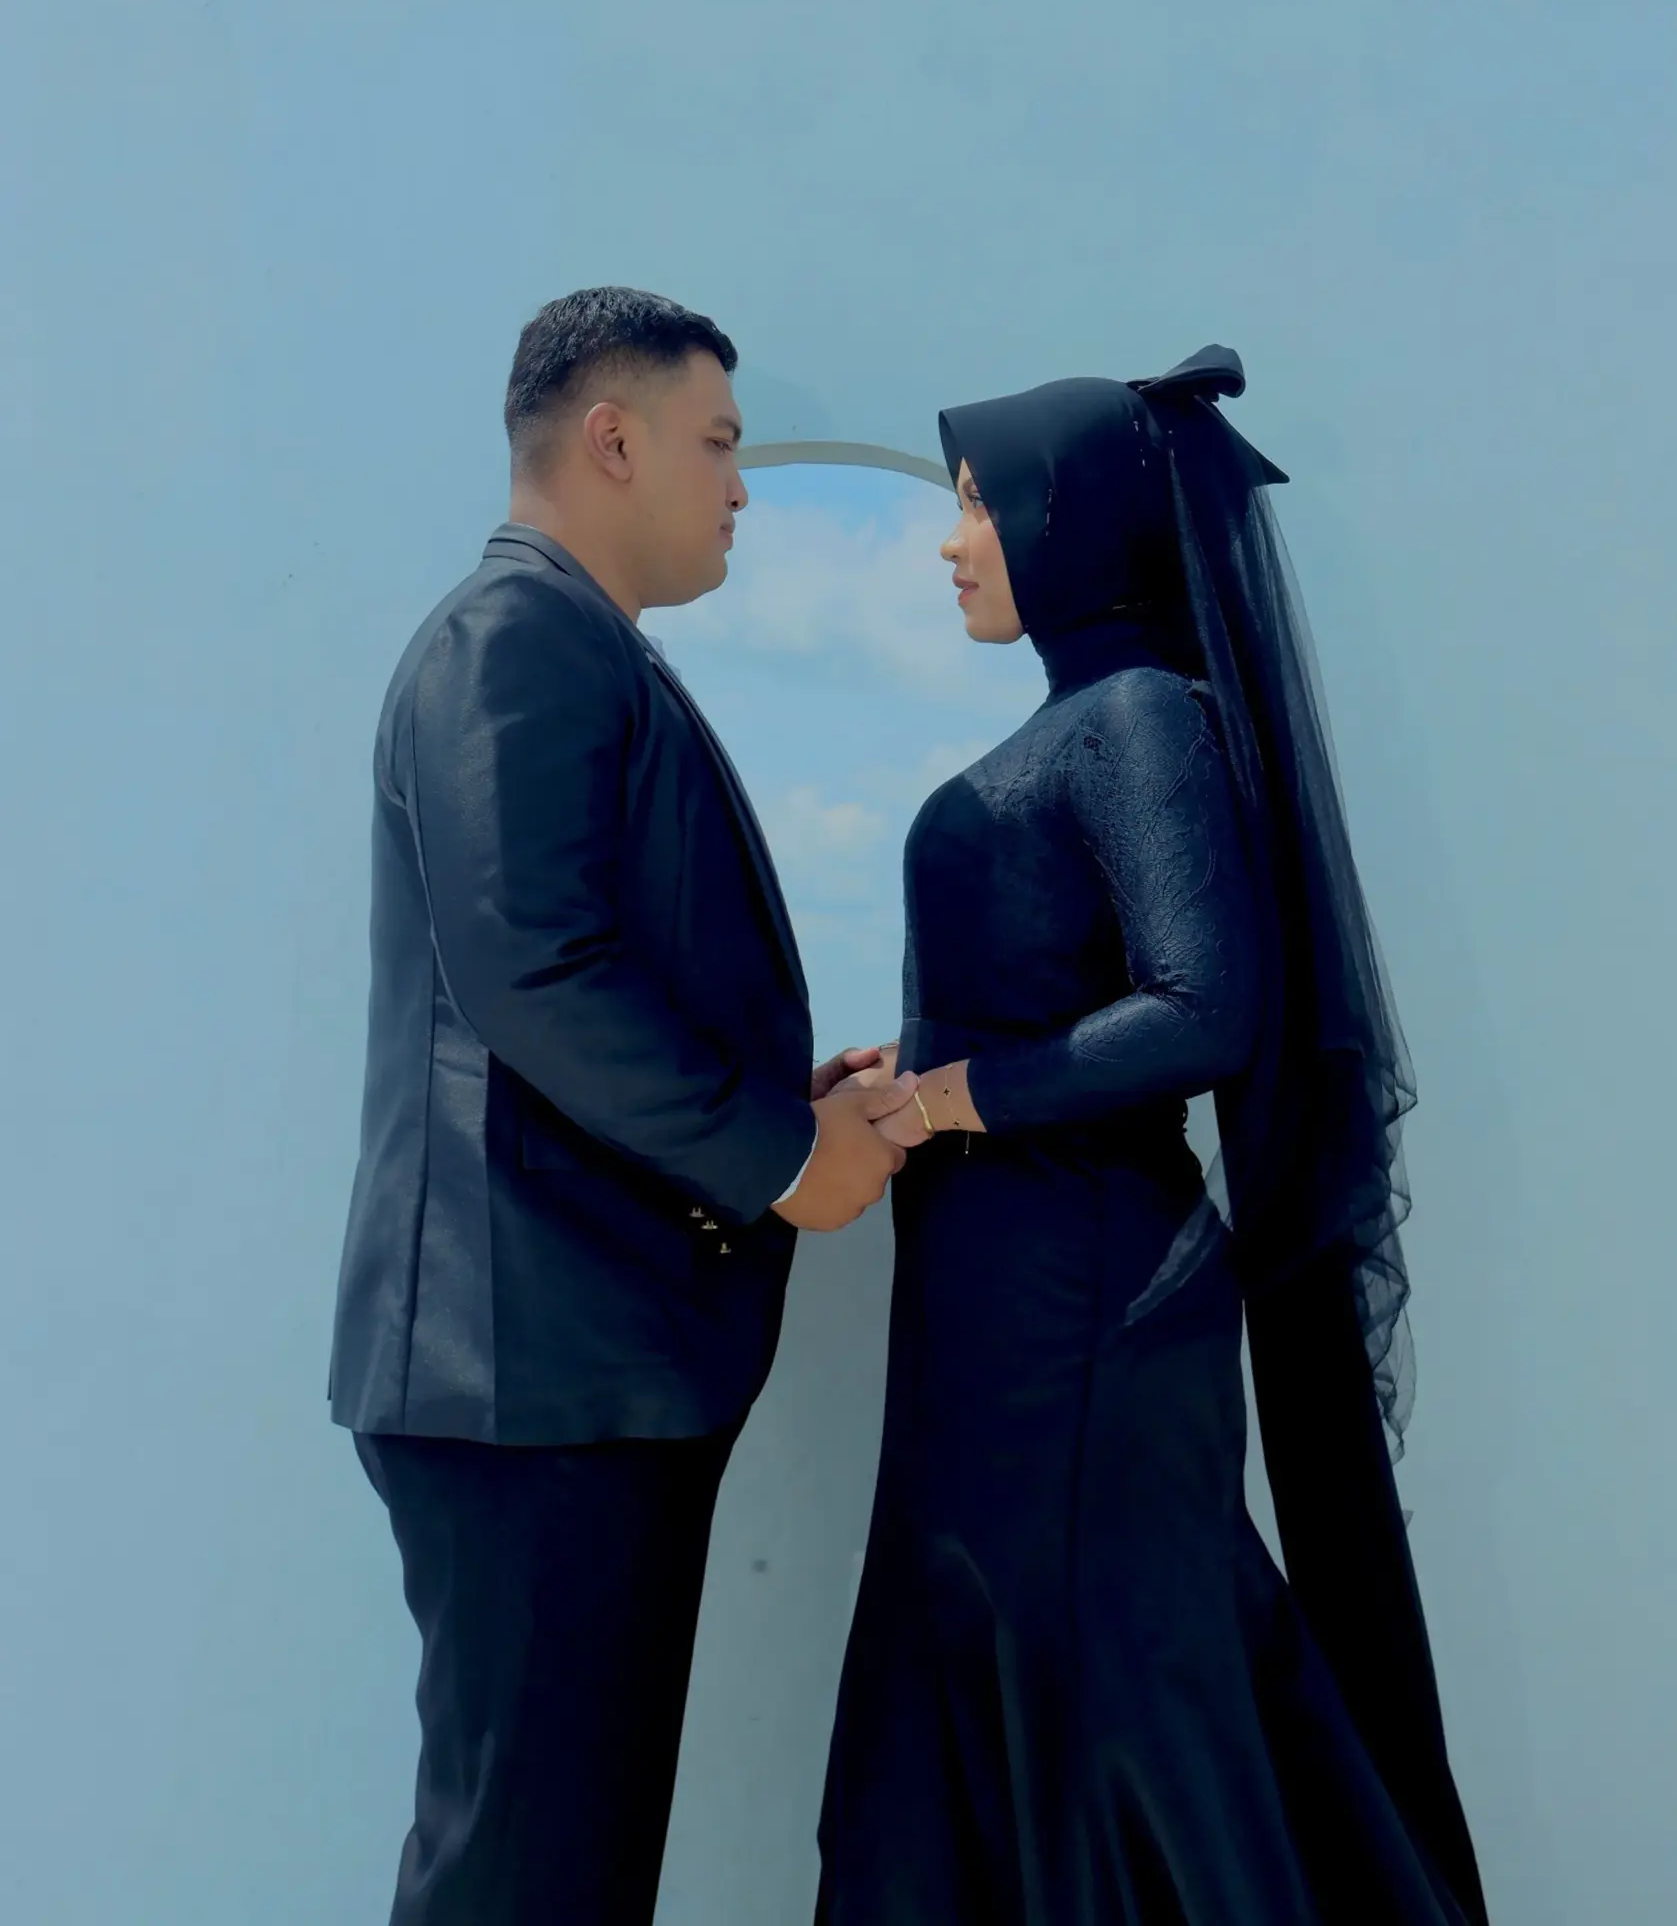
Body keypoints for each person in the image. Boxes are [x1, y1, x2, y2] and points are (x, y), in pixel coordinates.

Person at [816, 350, 1488, 1926]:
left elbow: (1200, 1010)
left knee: (1112, 1711)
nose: (950, 541)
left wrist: (950, 1098)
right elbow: (1067, 991)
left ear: (1068, 521)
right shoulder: (1082, 721)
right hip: (1004, 1298)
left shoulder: (1134, 720)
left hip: (1082, 1303)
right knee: (1014, 1684)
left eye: (978, 506)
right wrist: (917, 1063)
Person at [328, 285, 916, 1926]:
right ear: (611, 440)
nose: (738, 487)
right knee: (528, 1880)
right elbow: (533, 969)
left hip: (562, 1368)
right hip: (531, 1371)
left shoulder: (568, 644)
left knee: (558, 1873)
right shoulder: (513, 639)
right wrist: (782, 1155)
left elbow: (570, 966)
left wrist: (786, 1097)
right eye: (716, 445)